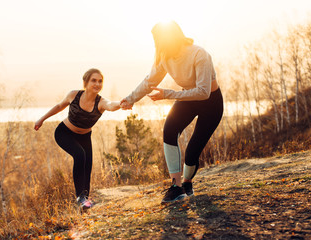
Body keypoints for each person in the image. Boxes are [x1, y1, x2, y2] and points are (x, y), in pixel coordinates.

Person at [121, 21, 223, 203]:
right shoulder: (164, 56)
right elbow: (149, 81)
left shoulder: (199, 54)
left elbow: (203, 92)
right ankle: (176, 187)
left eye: (158, 40)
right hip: (187, 98)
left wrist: (168, 94)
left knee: (192, 152)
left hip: (210, 103)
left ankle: (187, 182)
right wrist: (130, 99)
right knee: (169, 130)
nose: (157, 45)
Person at [34, 68, 120, 210]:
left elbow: (111, 105)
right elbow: (58, 106)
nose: (97, 84)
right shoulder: (74, 95)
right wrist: (41, 119)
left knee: (87, 166)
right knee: (80, 155)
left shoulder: (101, 102)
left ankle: (85, 202)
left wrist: (122, 103)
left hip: (85, 137)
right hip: (64, 133)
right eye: (93, 80)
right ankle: (80, 197)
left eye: (100, 81)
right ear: (85, 82)